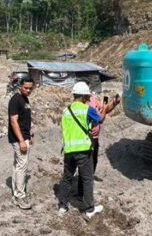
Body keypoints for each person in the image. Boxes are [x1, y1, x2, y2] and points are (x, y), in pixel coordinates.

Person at [57, 81, 104, 219]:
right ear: (84, 96)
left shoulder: (66, 111)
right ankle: (89, 208)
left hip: (68, 149)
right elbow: (99, 120)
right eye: (88, 96)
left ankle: (62, 206)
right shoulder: (86, 109)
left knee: (67, 177)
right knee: (87, 179)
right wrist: (104, 109)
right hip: (83, 150)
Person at [77, 91, 120, 197]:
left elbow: (104, 109)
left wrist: (114, 103)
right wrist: (104, 110)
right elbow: (100, 118)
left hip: (95, 138)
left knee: (93, 162)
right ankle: (81, 192)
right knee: (86, 165)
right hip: (88, 138)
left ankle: (86, 188)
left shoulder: (93, 100)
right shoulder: (84, 104)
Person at [8, 76, 35, 210]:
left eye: (31, 88)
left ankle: (16, 193)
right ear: (20, 86)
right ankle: (20, 195)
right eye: (26, 88)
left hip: (24, 136)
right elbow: (14, 121)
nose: (28, 90)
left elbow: (26, 119)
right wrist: (21, 141)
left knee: (17, 165)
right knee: (22, 166)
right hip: (19, 139)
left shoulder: (25, 99)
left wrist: (30, 134)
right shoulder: (15, 100)